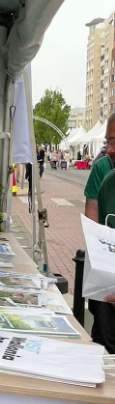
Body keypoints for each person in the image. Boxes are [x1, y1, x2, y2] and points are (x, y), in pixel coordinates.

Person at [83, 113, 115, 352]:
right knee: (103, 351)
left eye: (114, 142)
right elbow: (97, 231)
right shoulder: (108, 183)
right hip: (107, 291)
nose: (108, 150)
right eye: (107, 142)